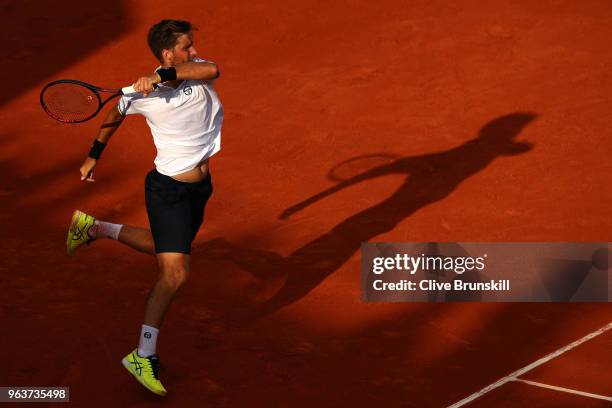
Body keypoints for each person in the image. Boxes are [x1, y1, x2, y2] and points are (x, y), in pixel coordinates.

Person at [65, 19, 223, 396]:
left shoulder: (195, 74)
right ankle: (143, 355)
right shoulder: (137, 96)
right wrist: (93, 157)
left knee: (165, 246)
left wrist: (164, 74)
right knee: (175, 274)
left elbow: (212, 68)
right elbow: (112, 116)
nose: (194, 52)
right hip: (167, 190)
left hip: (200, 189)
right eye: (187, 47)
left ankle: (94, 228)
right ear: (168, 51)